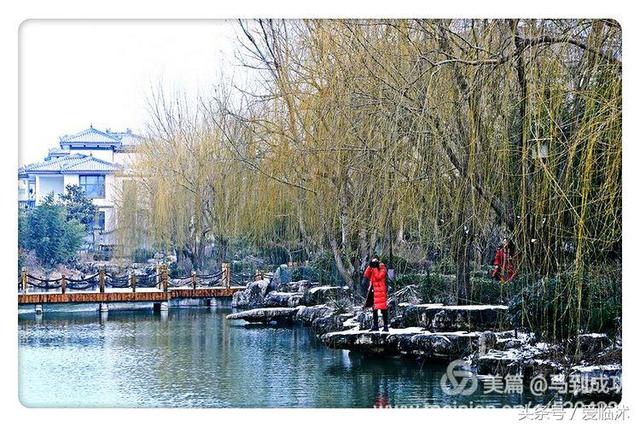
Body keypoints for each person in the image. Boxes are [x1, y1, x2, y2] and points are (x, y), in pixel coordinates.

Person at [363, 255, 389, 332]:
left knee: (383, 309)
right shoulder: (374, 268)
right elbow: (366, 275)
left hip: (380, 291)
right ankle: (375, 325)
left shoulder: (382, 268)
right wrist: (369, 266)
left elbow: (378, 277)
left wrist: (374, 268)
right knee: (374, 309)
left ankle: (385, 326)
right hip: (374, 290)